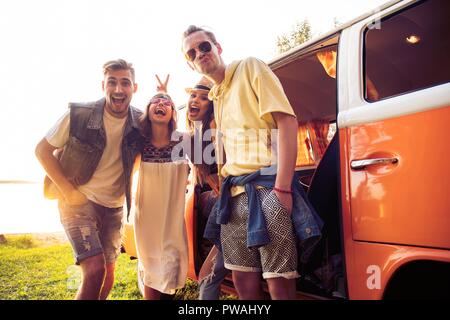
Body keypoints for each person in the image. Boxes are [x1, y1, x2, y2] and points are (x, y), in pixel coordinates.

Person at [182, 26, 323, 300]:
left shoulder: (250, 67)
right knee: (241, 280)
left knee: (278, 280)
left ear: (218, 47)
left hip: (268, 188)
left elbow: (286, 121)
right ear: (190, 63)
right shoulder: (217, 96)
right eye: (192, 53)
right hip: (234, 197)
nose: (199, 54)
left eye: (204, 47)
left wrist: (282, 188)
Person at [35, 59, 142, 300]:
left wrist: (164, 97)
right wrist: (68, 191)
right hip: (78, 202)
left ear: (134, 88)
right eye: (112, 82)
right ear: (102, 85)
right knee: (95, 271)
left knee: (108, 273)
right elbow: (42, 150)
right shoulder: (79, 115)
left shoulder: (139, 122)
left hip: (114, 207)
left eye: (125, 83)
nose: (118, 89)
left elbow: (163, 131)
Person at [133, 75, 190, 300]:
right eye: (155, 102)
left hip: (172, 217)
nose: (161, 105)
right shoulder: (139, 142)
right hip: (146, 217)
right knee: (150, 269)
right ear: (146, 110)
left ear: (174, 113)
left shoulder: (182, 141)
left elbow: (202, 167)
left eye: (167, 104)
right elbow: (125, 174)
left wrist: (165, 93)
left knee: (170, 270)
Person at [185, 76, 229, 300]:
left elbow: (223, 177)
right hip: (221, 205)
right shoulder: (191, 139)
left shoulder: (218, 130)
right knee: (209, 276)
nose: (195, 100)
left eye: (203, 98)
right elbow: (214, 182)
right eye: (193, 95)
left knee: (208, 276)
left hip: (229, 205)